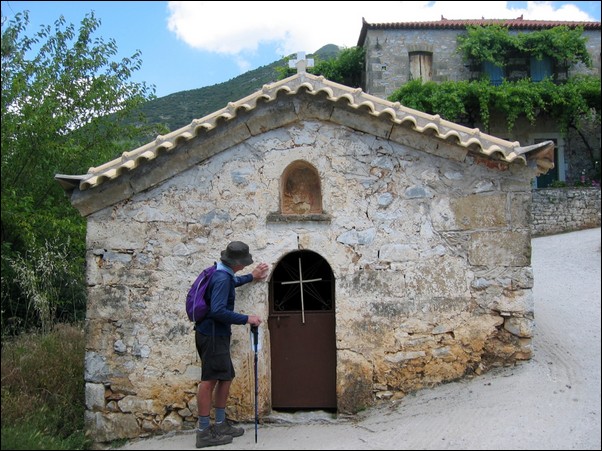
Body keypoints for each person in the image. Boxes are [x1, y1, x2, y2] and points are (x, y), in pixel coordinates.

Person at [195, 241, 269, 448]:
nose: (245, 265)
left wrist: (251, 276)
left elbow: (231, 282)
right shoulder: (221, 278)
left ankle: (220, 424)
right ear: (237, 263)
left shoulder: (222, 273)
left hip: (215, 334)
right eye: (244, 262)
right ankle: (203, 432)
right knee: (209, 380)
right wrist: (247, 318)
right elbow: (218, 310)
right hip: (212, 335)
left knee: (226, 377)